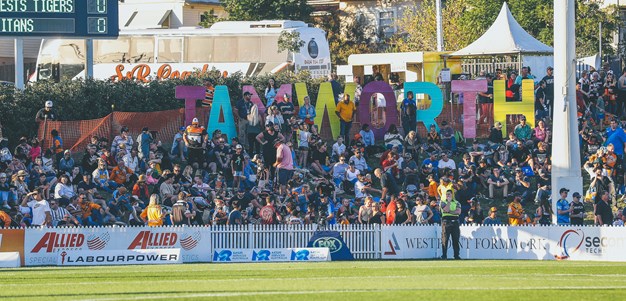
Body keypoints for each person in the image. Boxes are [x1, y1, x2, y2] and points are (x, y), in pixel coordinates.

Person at [440, 190, 461, 260]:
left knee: (455, 239)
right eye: (447, 194)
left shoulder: (457, 202)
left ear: (452, 195)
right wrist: (448, 202)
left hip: (455, 222)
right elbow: (445, 210)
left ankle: (456, 255)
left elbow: (458, 212)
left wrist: (450, 211)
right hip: (446, 222)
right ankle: (444, 255)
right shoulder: (443, 202)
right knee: (445, 240)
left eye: (449, 194)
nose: (447, 195)